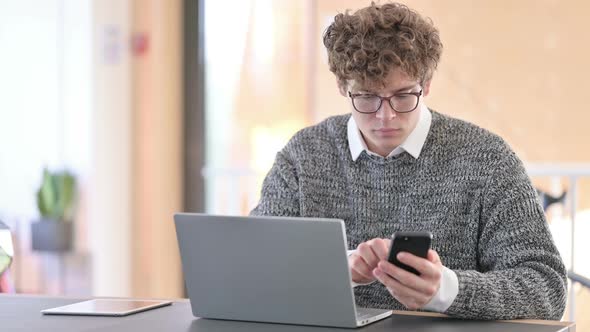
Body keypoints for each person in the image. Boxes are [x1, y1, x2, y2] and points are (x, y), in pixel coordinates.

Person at [251, 1, 566, 320]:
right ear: (343, 87)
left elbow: (547, 288)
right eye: (367, 97)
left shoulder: (487, 159)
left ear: (426, 84)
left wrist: (446, 289)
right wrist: (336, 270)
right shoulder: (303, 156)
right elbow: (256, 267)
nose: (385, 116)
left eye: (403, 96)